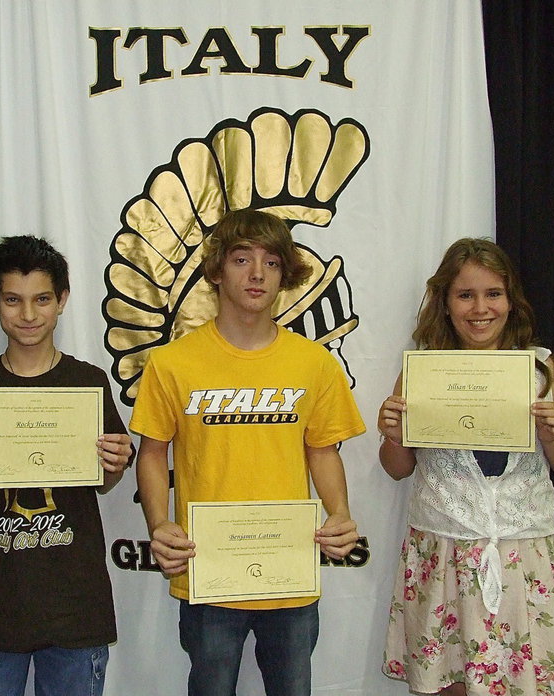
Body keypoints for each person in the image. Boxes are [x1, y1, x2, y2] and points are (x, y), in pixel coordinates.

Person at [131, 209, 366, 696]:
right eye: (241, 259)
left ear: (285, 275)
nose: (257, 274)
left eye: (272, 262)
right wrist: (159, 525)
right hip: (208, 569)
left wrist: (340, 513)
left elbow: (323, 451)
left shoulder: (314, 363)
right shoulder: (173, 363)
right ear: (216, 270)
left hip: (289, 572)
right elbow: (152, 453)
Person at [379, 238, 554, 696]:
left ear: (511, 301)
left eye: (493, 293)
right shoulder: (424, 371)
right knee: (451, 686)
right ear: (446, 303)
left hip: (523, 559)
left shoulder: (544, 371)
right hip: (444, 556)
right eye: (465, 295)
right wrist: (393, 432)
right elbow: (396, 469)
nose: (480, 308)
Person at [0, 235, 134, 696]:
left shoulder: (88, 382)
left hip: (76, 607)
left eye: (41, 299)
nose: (27, 315)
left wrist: (116, 463)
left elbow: (103, 482)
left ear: (61, 300)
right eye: (13, 300)